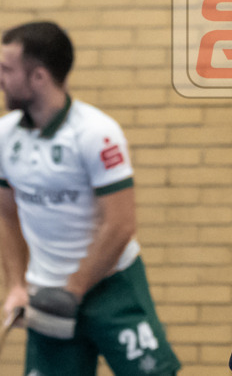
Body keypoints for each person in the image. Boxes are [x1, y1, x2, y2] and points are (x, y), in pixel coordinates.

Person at [0, 21, 180, 376]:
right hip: (46, 293)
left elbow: (121, 225)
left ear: (38, 77)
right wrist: (17, 285)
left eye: (7, 69)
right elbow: (6, 213)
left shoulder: (96, 133)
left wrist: (74, 289)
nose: (1, 78)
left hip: (111, 287)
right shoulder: (5, 136)